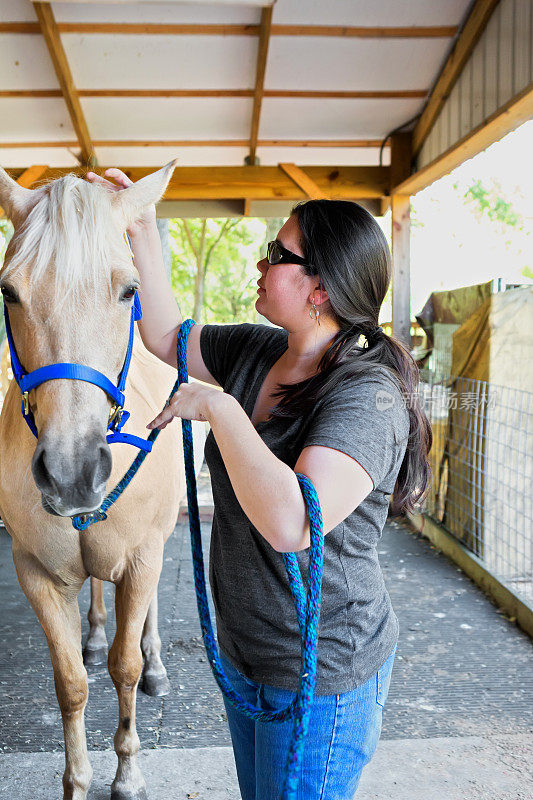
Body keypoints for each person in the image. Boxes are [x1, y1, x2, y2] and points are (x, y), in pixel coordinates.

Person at [87, 168, 432, 800]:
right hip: (249, 654)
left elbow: (293, 522)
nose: (261, 261)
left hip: (320, 672)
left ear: (320, 287)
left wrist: (219, 409)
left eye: (278, 255)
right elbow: (166, 336)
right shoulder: (257, 351)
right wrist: (140, 225)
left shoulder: (367, 395)